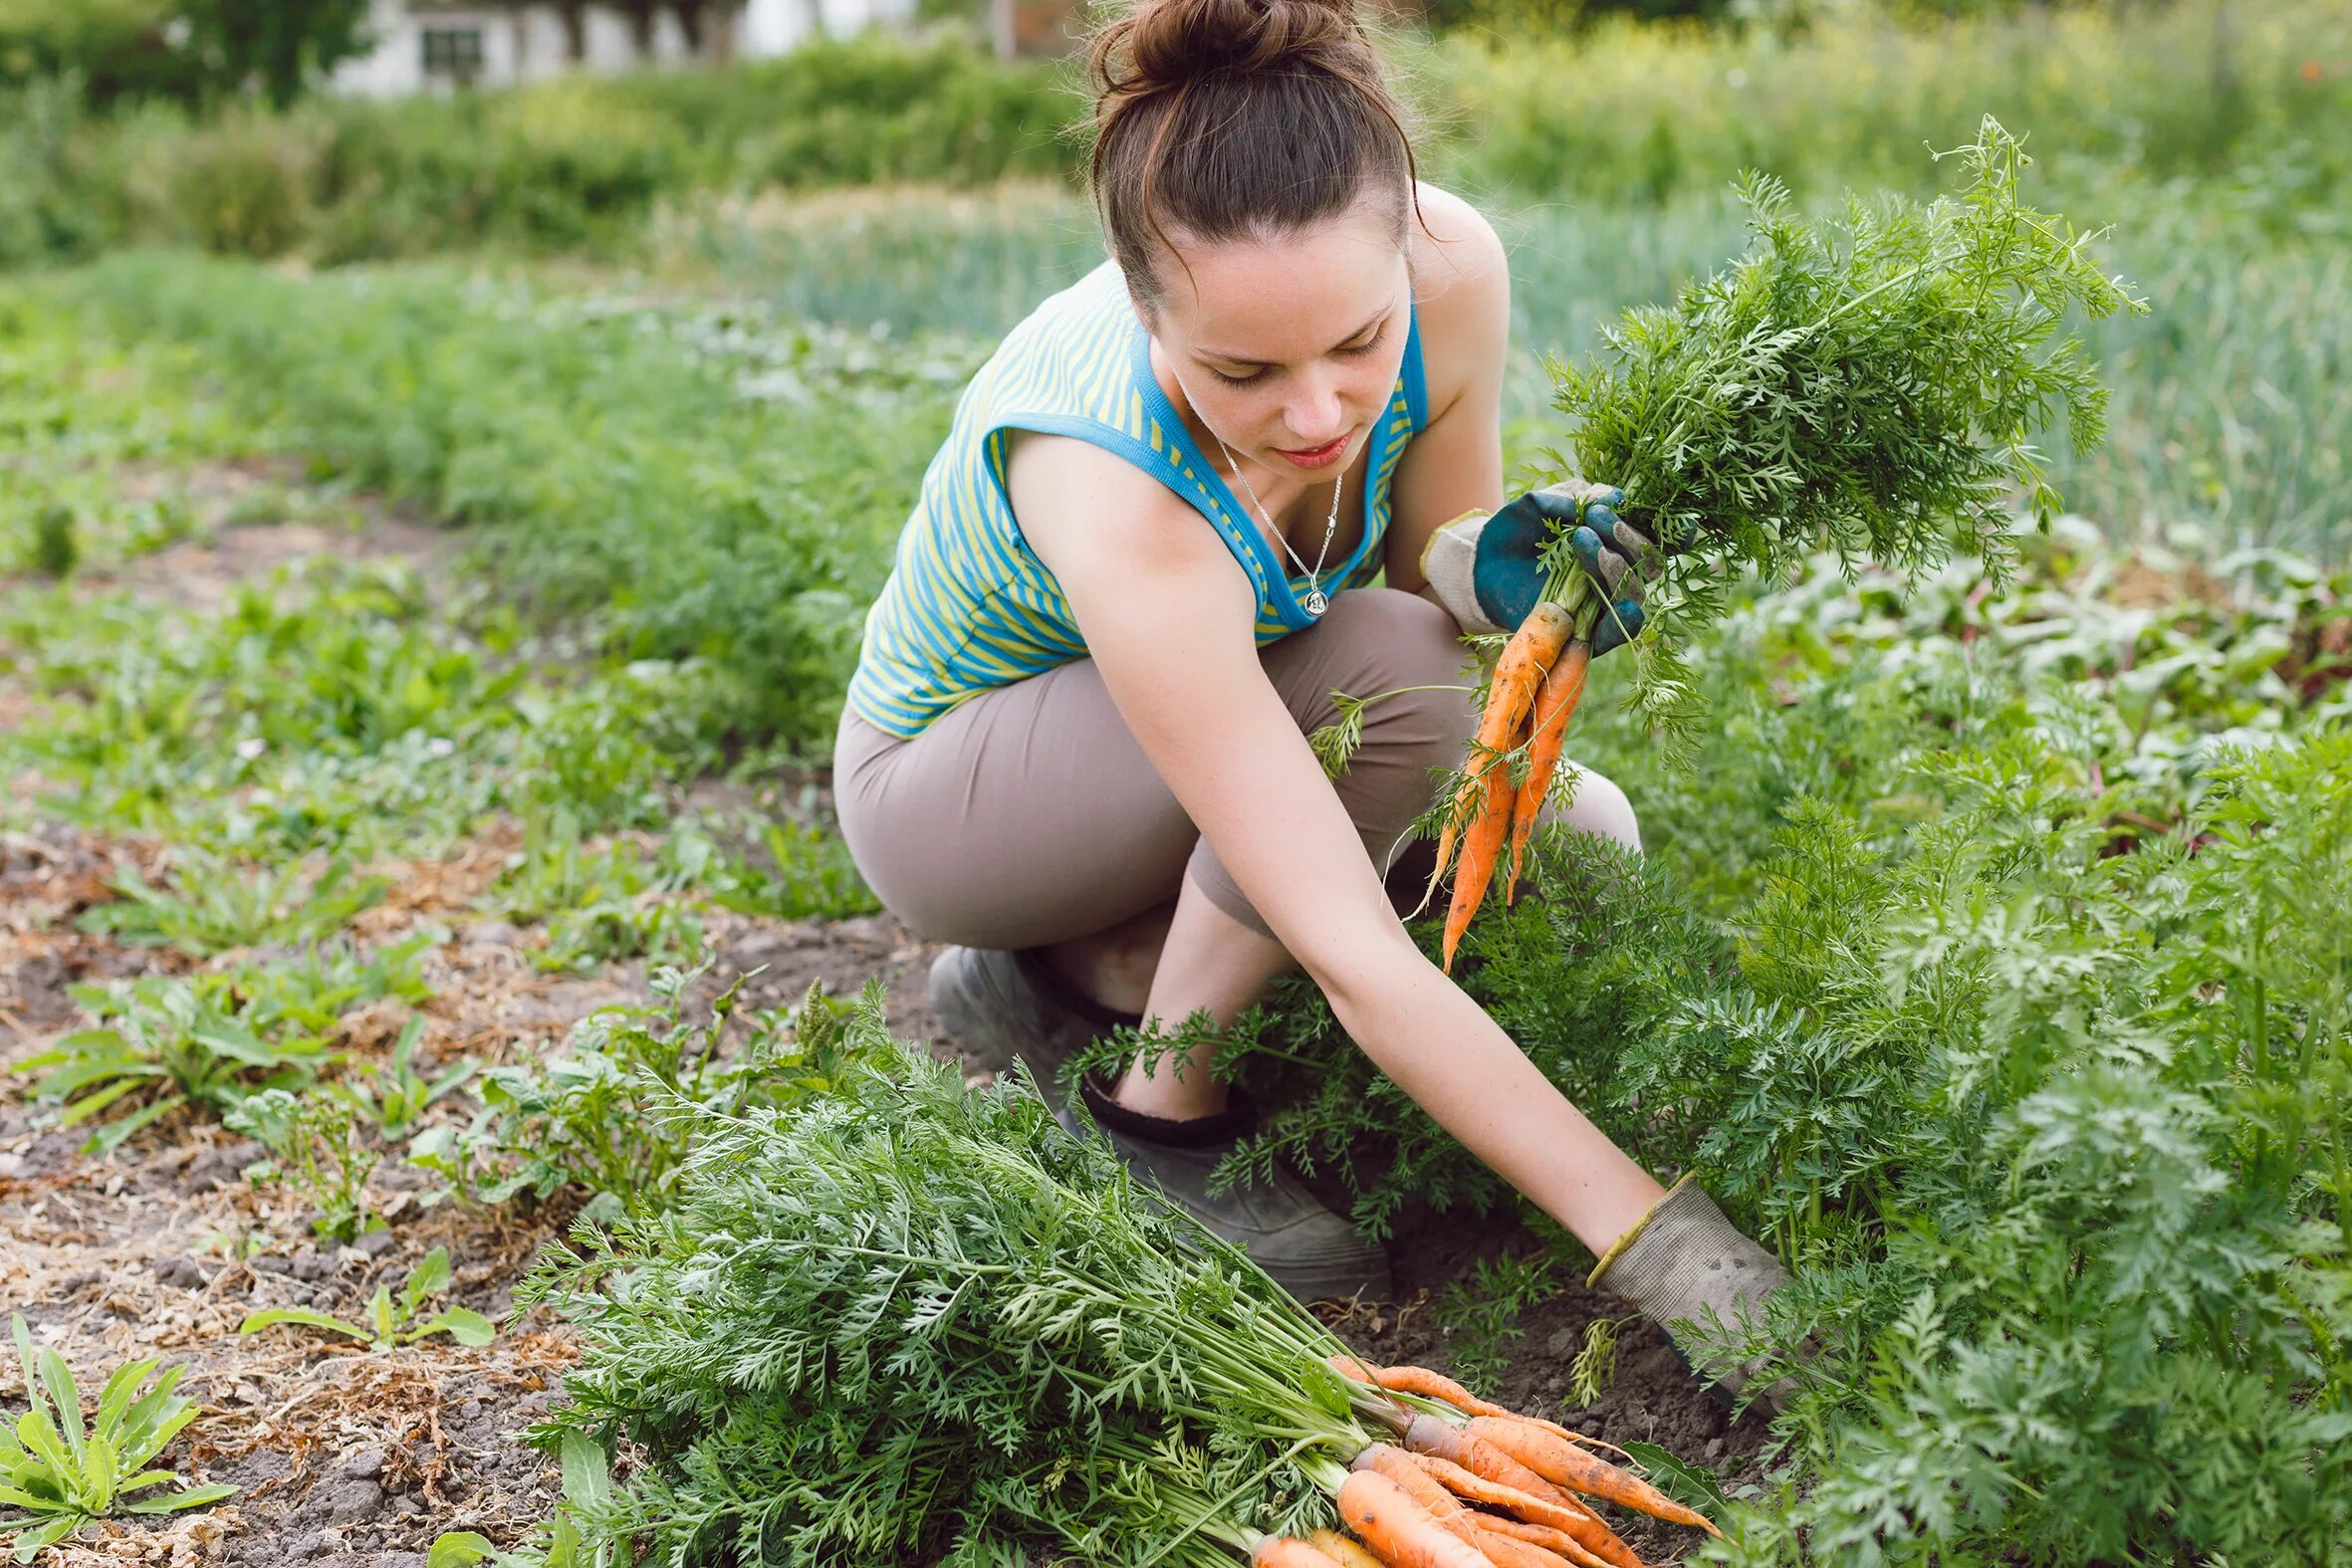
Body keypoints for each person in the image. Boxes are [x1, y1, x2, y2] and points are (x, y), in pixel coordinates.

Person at [833, 0, 1789, 1397]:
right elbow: (1355, 933)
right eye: (1243, 372)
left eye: (1356, 342)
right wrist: (1670, 1251)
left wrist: (1506, 576)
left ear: (1406, 236)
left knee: (1581, 839)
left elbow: (1423, 569)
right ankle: (1158, 1114)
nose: (1317, 413)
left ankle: (1075, 979)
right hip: (960, 795)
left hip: (1175, 745)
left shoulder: (1453, 272)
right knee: (1388, 689)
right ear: (1139, 303)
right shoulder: (1118, 484)